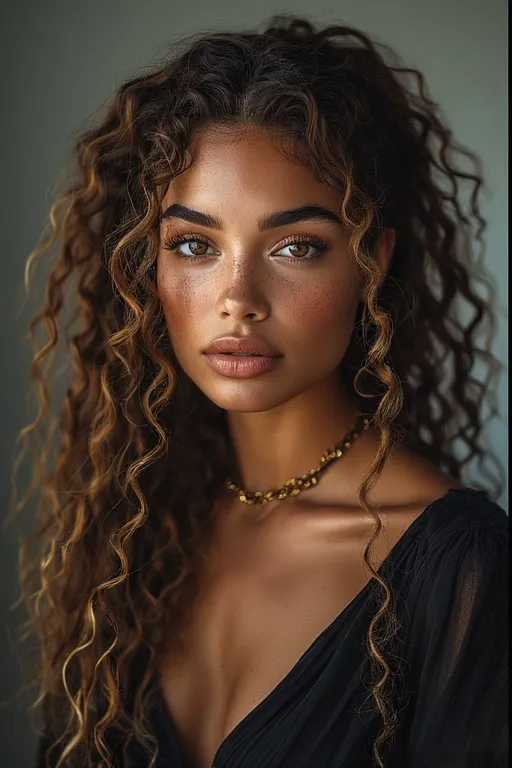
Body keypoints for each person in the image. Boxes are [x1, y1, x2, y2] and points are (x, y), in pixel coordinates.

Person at [13, 13, 507, 768]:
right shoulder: (134, 528)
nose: (237, 296)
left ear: (371, 263)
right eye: (194, 245)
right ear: (148, 267)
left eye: (295, 246)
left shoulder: (459, 567)